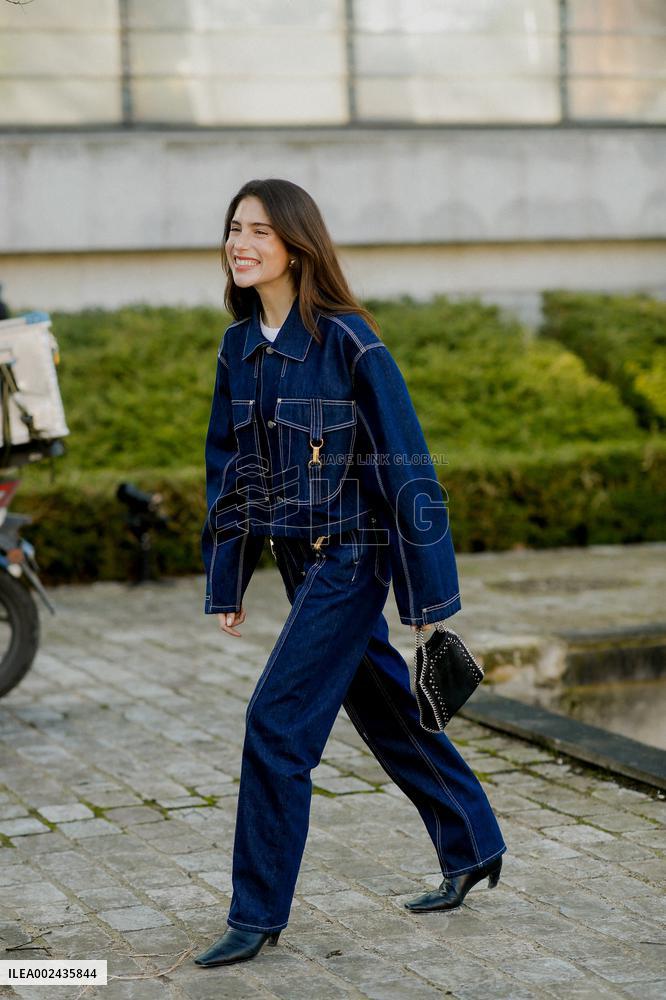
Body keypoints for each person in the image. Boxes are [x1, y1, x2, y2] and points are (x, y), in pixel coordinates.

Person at [195, 179, 507, 969]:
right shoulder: (239, 350)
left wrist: (429, 604)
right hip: (300, 561)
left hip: (354, 555)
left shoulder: (349, 342)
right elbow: (229, 468)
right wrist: (227, 575)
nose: (241, 244)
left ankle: (257, 913)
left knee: (276, 721)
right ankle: (472, 842)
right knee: (384, 705)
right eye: (235, 230)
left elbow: (407, 463)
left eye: (259, 232)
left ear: (297, 246)